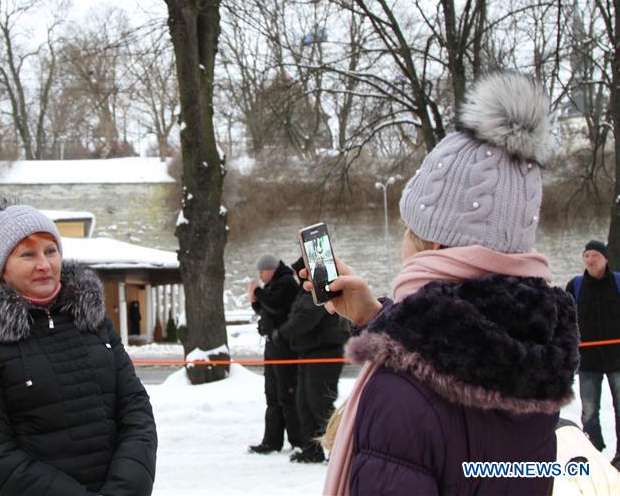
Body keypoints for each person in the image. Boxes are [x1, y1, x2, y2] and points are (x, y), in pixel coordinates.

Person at [308, 73, 578, 495]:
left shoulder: (401, 393)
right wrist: (377, 319)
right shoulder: (536, 354)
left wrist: (391, 338)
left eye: (407, 230)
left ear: (432, 245)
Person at [0, 196, 158, 496]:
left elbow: (135, 412)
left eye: (51, 251)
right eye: (27, 255)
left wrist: (127, 488)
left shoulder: (94, 324)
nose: (44, 265)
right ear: (2, 269)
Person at [272, 257, 348, 463]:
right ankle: (312, 449)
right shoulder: (307, 291)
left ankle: (342, 448)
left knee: (320, 403)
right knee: (304, 403)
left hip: (323, 354)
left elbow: (305, 318)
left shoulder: (318, 291)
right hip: (309, 353)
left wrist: (283, 333)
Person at [567, 239, 620, 468]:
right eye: (586, 255)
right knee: (589, 412)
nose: (590, 260)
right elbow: (565, 320)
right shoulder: (575, 285)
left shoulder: (618, 283)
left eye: (595, 255)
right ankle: (595, 453)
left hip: (618, 359)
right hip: (588, 362)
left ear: (605, 258)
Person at [248, 254, 303, 454]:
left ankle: (298, 440)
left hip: (284, 347)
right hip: (272, 345)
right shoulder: (273, 285)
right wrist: (255, 299)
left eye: (262, 271)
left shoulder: (286, 282)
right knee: (272, 394)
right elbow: (265, 309)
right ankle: (272, 440)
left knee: (286, 394)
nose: (261, 276)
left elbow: (276, 306)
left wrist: (259, 293)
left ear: (271, 269)